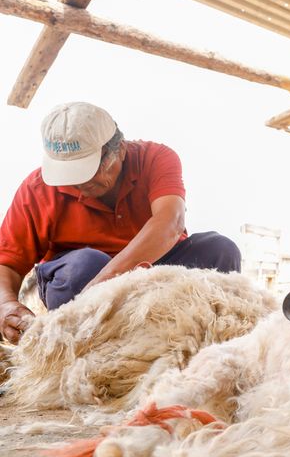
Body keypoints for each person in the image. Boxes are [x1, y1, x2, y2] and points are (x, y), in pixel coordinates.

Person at [0, 102, 241, 344]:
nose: (79, 184)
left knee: (220, 249)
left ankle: (212, 343)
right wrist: (6, 305)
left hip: (152, 270)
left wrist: (107, 283)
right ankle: (83, 341)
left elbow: (171, 221)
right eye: (68, 173)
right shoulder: (37, 189)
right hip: (80, 278)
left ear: (120, 150)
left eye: (88, 171)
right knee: (85, 265)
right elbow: (7, 262)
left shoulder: (155, 158)